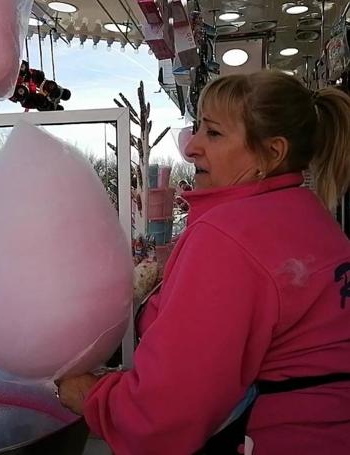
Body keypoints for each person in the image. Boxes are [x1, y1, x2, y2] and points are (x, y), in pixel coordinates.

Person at [57, 71, 350, 454]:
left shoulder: (231, 235)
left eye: (213, 133)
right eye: (197, 129)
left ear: (272, 153)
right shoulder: (308, 215)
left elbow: (165, 414)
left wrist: (89, 395)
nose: (191, 147)